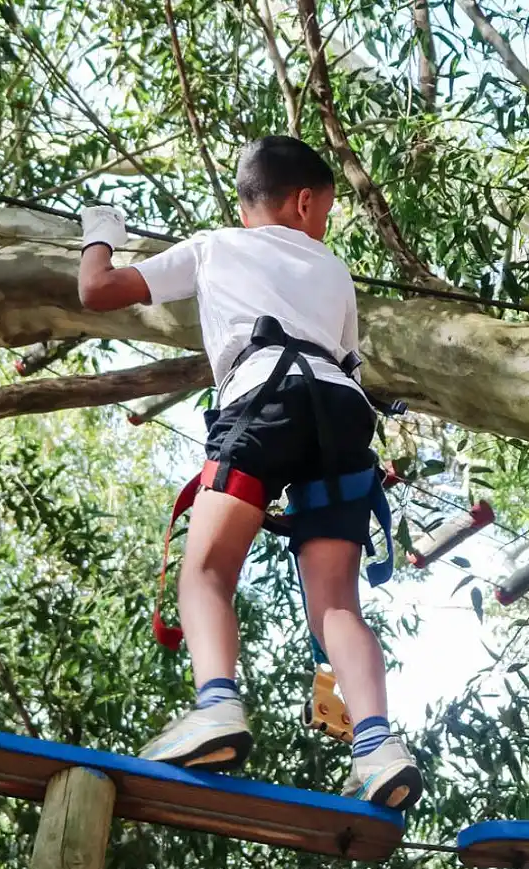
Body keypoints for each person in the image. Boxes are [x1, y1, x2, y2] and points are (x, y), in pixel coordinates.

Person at [76, 135, 423, 811]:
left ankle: (217, 707)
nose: (322, 224)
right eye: (324, 209)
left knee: (206, 571)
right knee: (337, 606)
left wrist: (101, 234)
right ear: (302, 202)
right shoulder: (333, 269)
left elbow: (98, 290)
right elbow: (347, 364)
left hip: (264, 400)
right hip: (344, 418)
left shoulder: (214, 246)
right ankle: (378, 746)